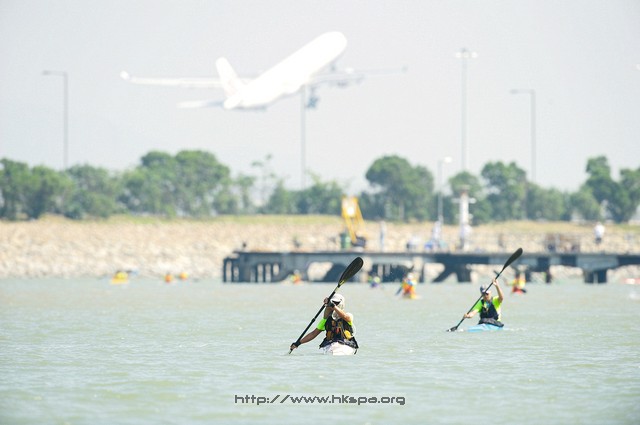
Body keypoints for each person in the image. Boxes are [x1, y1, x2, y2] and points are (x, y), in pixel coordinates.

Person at [289, 293, 358, 353]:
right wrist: (298, 343)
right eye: (333, 302)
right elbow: (313, 334)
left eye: (336, 303)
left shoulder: (348, 316)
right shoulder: (325, 321)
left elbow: (345, 316)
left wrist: (333, 305)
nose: (334, 305)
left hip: (347, 344)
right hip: (331, 344)